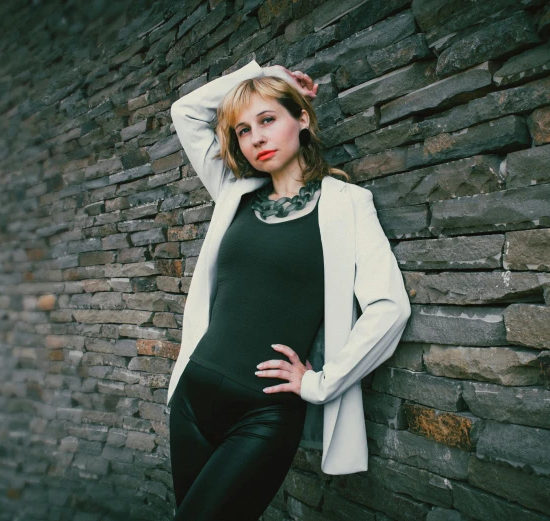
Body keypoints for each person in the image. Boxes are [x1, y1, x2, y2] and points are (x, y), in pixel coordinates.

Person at [167, 58, 411, 520]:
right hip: (192, 399)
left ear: (302, 119)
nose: (255, 137)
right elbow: (186, 112)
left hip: (263, 415)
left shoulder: (346, 205)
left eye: (267, 119)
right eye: (242, 130)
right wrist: (268, 72)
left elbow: (389, 308)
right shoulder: (234, 191)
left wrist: (321, 383)